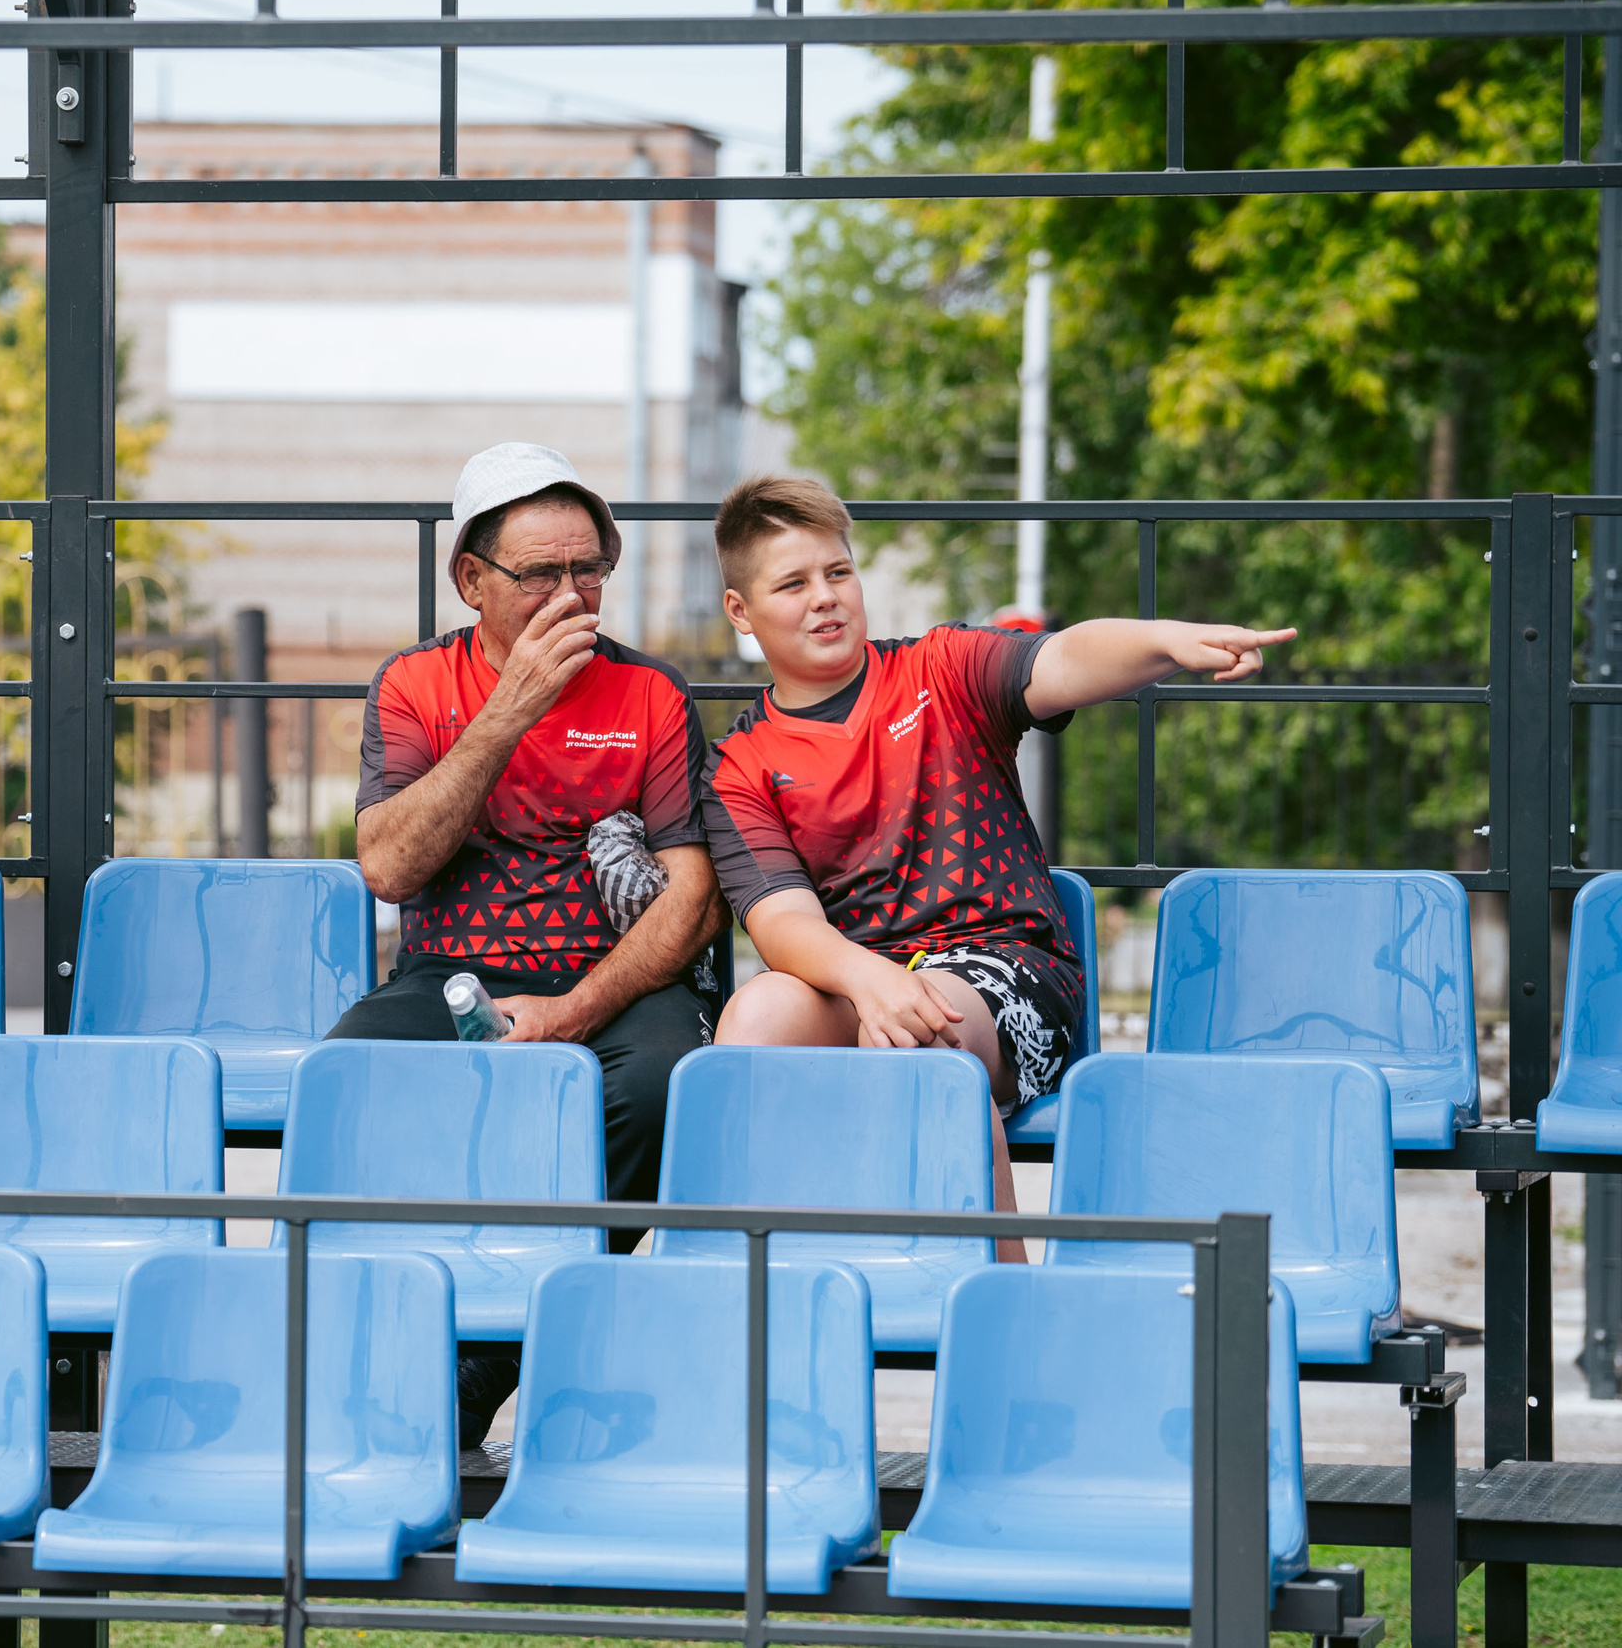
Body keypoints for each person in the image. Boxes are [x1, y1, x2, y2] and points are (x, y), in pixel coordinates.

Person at [701, 473, 1295, 1251]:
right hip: (864, 986)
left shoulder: (941, 668)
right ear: (740, 610)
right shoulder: (739, 764)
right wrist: (871, 977)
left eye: (838, 571)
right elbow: (782, 922)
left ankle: (1006, 1301)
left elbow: (1063, 658)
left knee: (914, 1035)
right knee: (753, 1022)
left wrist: (1165, 642)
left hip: (1005, 973)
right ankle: (774, 1287)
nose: (825, 597)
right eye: (794, 582)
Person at [333, 441, 725, 1445]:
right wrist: (509, 713)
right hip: (452, 972)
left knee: (662, 1085)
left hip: (616, 977)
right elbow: (388, 867)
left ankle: (481, 1369)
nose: (571, 593)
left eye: (587, 567)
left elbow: (691, 897)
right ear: (471, 579)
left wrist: (576, 1008)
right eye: (539, 573)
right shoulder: (416, 685)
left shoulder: (651, 693)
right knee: (348, 1075)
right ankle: (361, 1366)